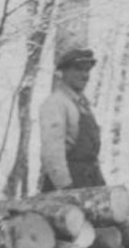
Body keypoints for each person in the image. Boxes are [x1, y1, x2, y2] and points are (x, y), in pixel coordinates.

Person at [39, 48, 106, 191]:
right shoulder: (56, 103)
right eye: (79, 69)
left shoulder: (82, 104)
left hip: (90, 180)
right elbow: (52, 152)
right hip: (69, 182)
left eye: (87, 70)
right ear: (64, 72)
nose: (84, 75)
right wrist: (65, 187)